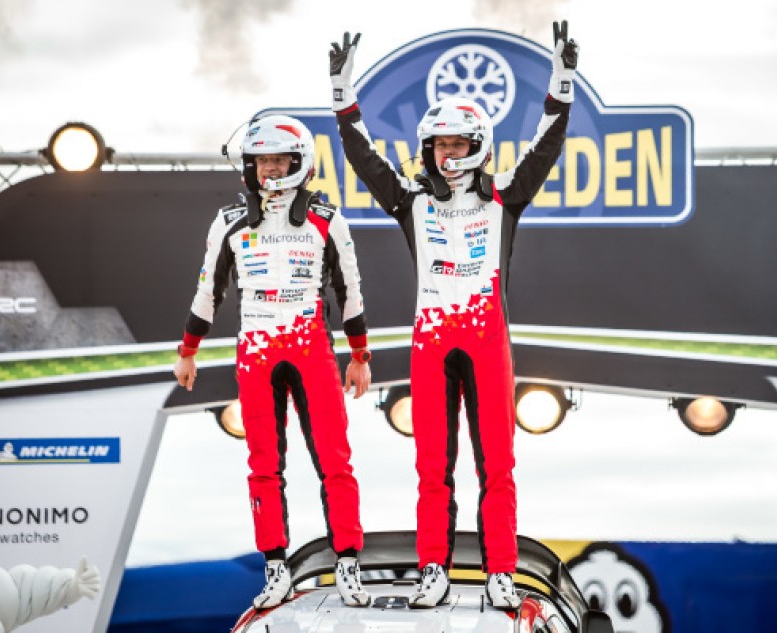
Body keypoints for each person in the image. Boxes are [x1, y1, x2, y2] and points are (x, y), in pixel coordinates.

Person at [328, 23, 579, 609]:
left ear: (478, 147)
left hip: (489, 343)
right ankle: (433, 569)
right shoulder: (410, 202)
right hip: (432, 346)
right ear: (427, 152)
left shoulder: (504, 198)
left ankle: (499, 573)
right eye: (439, 147)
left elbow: (545, 145)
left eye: (458, 145)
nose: (448, 156)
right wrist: (344, 98)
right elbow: (366, 160)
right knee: (432, 469)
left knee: (498, 466)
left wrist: (561, 85)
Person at [173, 114, 373, 609]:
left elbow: (350, 291)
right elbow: (207, 292)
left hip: (311, 349)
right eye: (261, 159)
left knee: (334, 460)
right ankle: (276, 569)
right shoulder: (228, 221)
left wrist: (360, 356)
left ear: (298, 162)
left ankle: (348, 565)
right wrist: (188, 351)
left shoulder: (328, 219)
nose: (268, 169)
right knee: (263, 466)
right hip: (256, 351)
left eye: (278, 159)